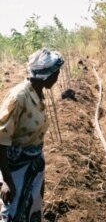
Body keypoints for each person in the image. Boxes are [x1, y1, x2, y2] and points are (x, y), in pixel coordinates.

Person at [0, 48, 64, 221]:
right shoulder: (19, 97)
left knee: (32, 208)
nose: (57, 78)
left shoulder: (38, 93)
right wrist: (6, 180)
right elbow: (1, 140)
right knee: (12, 212)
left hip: (34, 164)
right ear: (47, 75)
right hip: (16, 169)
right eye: (56, 73)